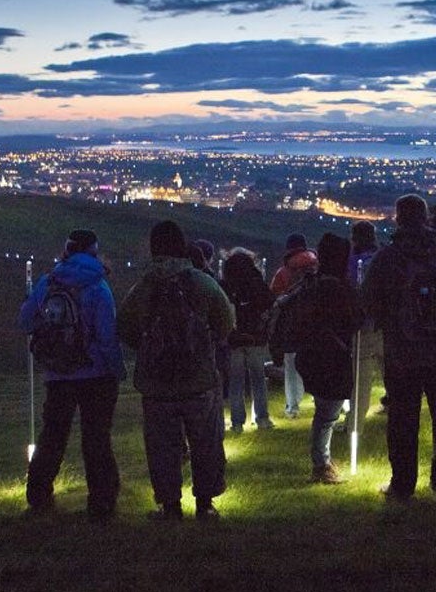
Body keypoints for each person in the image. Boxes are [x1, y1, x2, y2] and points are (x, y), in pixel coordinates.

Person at [117, 220, 234, 521]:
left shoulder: (143, 287)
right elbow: (226, 322)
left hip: (157, 385)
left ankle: (170, 506)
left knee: (163, 449)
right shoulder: (202, 283)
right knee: (205, 443)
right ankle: (205, 504)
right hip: (199, 380)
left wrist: (149, 349)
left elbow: (126, 328)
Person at [363, 194, 436, 500]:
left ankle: (402, 485)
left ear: (398, 218)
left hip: (403, 353)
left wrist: (389, 325)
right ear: (426, 218)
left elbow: (369, 300)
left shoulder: (387, 258)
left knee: (402, 420)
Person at [19, 229, 126, 522]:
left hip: (58, 373)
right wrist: (117, 370)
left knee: (52, 435)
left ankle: (38, 494)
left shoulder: (49, 282)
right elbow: (107, 336)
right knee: (96, 438)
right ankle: (102, 500)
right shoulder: (98, 287)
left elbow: (26, 319)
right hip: (95, 375)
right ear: (94, 252)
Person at [293, 233, 364, 483]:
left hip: (313, 354)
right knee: (327, 414)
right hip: (332, 355)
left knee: (325, 410)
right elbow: (352, 319)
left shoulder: (313, 283)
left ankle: (322, 460)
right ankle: (321, 465)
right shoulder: (336, 287)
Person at [220, 248, 274, 432]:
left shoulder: (226, 285)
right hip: (255, 339)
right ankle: (262, 418)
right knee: (258, 379)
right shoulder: (257, 282)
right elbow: (269, 303)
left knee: (236, 382)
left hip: (235, 340)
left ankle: (237, 422)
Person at [270, 233, 318, 418]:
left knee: (291, 366)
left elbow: (275, 296)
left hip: (291, 325)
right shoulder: (316, 266)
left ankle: (292, 408)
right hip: (315, 323)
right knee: (315, 363)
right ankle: (318, 397)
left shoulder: (284, 272)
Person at [343, 221, 382, 435]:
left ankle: (354, 428)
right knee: (396, 380)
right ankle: (401, 425)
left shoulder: (351, 262)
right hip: (385, 326)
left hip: (362, 328)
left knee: (360, 384)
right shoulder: (383, 258)